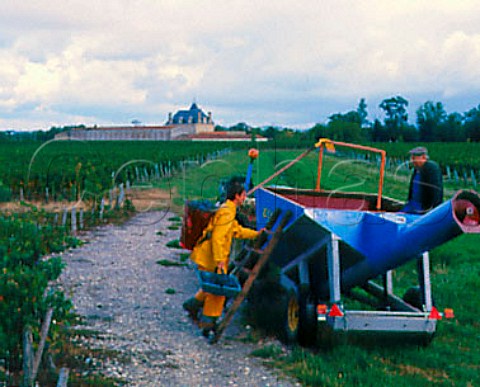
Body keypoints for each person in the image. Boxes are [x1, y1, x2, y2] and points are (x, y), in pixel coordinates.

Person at [182, 179, 261, 337]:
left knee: (210, 286)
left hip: (208, 255)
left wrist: (256, 234)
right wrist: (219, 262)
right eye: (244, 195)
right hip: (213, 257)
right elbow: (218, 238)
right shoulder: (227, 212)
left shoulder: (228, 209)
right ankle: (208, 325)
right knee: (217, 293)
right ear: (237, 196)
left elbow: (236, 230)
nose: (245, 198)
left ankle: (192, 305)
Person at [402, 146, 443, 214]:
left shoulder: (431, 169)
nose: (412, 161)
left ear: (423, 157)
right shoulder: (417, 169)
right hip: (412, 205)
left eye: (414, 158)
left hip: (423, 208)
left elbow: (435, 193)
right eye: (411, 158)